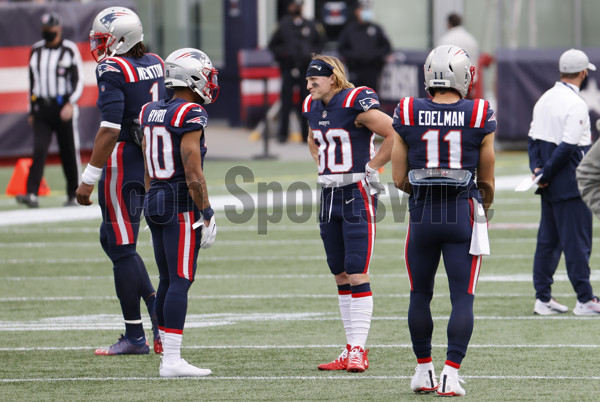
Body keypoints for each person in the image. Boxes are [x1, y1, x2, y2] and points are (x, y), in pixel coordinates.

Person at [391, 45, 496, 396]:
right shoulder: (479, 112)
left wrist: (424, 193)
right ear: (464, 75)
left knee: (419, 293)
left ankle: (424, 372)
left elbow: (398, 178)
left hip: (422, 212)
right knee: (462, 297)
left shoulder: (407, 110)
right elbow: (488, 177)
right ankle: (450, 374)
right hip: (461, 211)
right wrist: (483, 206)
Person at [76, 7, 166, 355]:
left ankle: (136, 335)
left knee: (122, 245)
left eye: (104, 39)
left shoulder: (113, 67)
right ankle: (153, 306)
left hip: (124, 158)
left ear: (121, 38)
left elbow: (110, 128)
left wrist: (89, 177)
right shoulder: (155, 61)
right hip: (148, 158)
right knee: (111, 238)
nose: (99, 46)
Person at [302, 53, 394, 372]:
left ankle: (358, 349)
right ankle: (349, 347)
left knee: (356, 270)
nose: (310, 82)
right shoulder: (311, 106)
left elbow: (394, 133)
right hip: (328, 194)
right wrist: (320, 162)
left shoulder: (355, 101)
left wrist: (372, 166)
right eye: (308, 78)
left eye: (316, 77)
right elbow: (314, 140)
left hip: (356, 192)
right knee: (339, 272)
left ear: (334, 78)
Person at [140, 48, 218, 377]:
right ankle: (171, 360)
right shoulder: (190, 113)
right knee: (181, 281)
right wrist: (208, 212)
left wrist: (149, 200)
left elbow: (147, 163)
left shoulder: (149, 110)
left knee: (167, 278)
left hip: (155, 195)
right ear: (192, 76)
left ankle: (164, 348)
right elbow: (193, 171)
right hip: (178, 202)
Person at [528, 48, 600, 316]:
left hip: (549, 182)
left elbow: (533, 140)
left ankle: (543, 297)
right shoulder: (576, 103)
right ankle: (585, 299)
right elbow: (569, 146)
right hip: (572, 182)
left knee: (548, 241)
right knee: (577, 242)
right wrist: (545, 173)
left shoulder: (544, 98)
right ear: (582, 72)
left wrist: (537, 170)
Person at [17, 12, 84, 208]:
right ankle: (31, 194)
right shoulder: (36, 50)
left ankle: (74, 193)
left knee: (68, 151)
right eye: (45, 30)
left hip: (63, 106)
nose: (48, 33)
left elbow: (78, 80)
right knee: (38, 149)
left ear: (59, 30)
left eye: (51, 30)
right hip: (42, 109)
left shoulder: (69, 49)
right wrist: (31, 109)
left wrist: (71, 103)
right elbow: (32, 81)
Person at [269, 0, 325, 143]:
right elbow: (273, 45)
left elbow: (320, 43)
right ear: (289, 7)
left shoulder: (311, 24)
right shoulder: (283, 24)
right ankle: (283, 135)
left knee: (305, 101)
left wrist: (311, 56)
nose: (297, 8)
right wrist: (284, 55)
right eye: (295, 5)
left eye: (300, 5)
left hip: (305, 70)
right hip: (288, 68)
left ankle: (305, 134)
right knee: (286, 101)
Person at [337, 0, 391, 91]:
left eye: (367, 9)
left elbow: (387, 47)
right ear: (356, 11)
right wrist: (354, 56)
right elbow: (341, 48)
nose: (366, 12)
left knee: (371, 96)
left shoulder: (376, 29)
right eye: (363, 9)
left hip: (372, 70)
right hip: (355, 69)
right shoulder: (349, 30)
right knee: (355, 95)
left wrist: (374, 55)